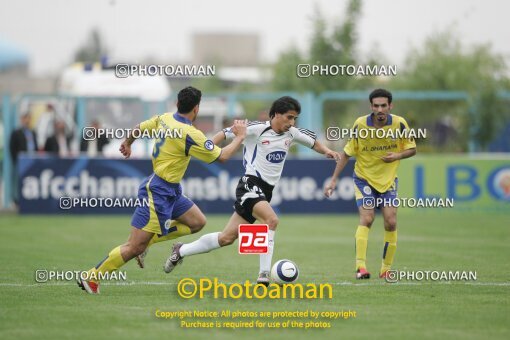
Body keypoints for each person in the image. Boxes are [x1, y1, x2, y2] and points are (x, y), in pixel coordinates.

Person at [78, 86, 247, 294]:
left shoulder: (165, 118)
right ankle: (92, 277)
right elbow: (221, 157)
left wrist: (127, 142)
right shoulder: (189, 133)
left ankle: (149, 242)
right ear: (197, 109)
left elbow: (140, 127)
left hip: (171, 190)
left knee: (197, 222)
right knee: (134, 247)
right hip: (157, 191)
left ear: (177, 104)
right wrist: (239, 137)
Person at [155, 96, 338, 285]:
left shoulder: (292, 132)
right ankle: (264, 275)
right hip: (250, 184)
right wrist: (209, 150)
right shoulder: (256, 129)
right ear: (276, 114)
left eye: (294, 119)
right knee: (271, 220)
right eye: (289, 117)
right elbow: (222, 134)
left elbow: (313, 142)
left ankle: (181, 250)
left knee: (226, 238)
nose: (291, 122)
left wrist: (326, 151)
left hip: (266, 191)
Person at [324, 89, 417, 280]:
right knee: (367, 219)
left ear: (390, 106)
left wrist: (398, 155)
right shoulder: (360, 125)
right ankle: (361, 267)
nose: (380, 109)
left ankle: (386, 269)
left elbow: (412, 149)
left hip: (388, 181)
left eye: (384, 105)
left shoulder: (400, 124)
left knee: (391, 222)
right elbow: (347, 153)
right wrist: (333, 179)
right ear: (371, 107)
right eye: (376, 106)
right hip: (364, 178)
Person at [9, 112, 38, 205]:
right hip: (20, 160)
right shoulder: (16, 132)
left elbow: (35, 146)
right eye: (26, 118)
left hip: (31, 160)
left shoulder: (32, 132)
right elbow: (12, 147)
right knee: (17, 180)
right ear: (22, 119)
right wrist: (16, 159)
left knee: (30, 179)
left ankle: (29, 197)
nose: (27, 121)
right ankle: (16, 199)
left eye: (29, 118)